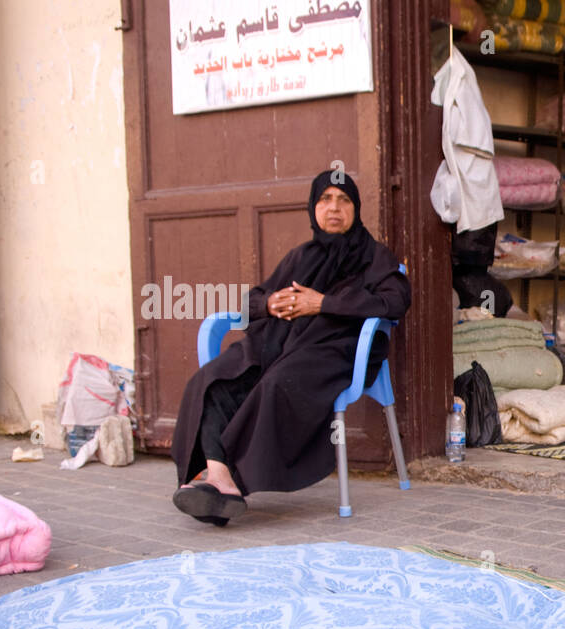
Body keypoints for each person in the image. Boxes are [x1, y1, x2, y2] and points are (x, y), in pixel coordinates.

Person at [171, 170, 411, 525]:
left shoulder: (373, 256)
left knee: (278, 384)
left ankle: (229, 483)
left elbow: (395, 302)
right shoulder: (301, 257)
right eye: (325, 200)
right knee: (213, 378)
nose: (334, 208)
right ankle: (218, 477)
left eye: (344, 200)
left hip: (334, 349)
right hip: (277, 344)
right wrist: (269, 304)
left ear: (356, 209)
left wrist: (323, 303)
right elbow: (253, 299)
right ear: (313, 208)